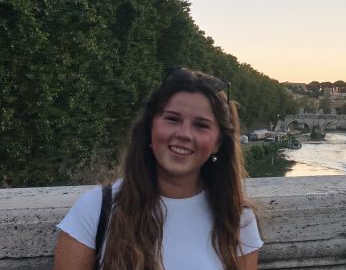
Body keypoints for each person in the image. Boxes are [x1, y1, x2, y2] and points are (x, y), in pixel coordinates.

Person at [54, 68, 262, 270]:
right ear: (150, 126)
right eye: (172, 119)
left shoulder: (237, 220)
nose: (184, 134)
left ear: (218, 143)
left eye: (201, 125)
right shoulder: (96, 209)